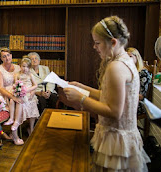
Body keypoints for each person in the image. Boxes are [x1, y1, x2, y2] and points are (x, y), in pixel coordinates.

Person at [63, 16, 150, 171]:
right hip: (124, 138)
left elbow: (115, 112)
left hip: (115, 141)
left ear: (113, 42)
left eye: (97, 43)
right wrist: (82, 87)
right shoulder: (127, 62)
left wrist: (81, 98)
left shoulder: (116, 67)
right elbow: (107, 95)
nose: (94, 47)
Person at [0, 47, 23, 145]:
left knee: (26, 101)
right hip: (3, 93)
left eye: (8, 55)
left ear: (11, 56)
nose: (7, 58)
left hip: (15, 90)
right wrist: (12, 96)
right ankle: (15, 133)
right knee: (16, 101)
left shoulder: (18, 67)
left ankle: (27, 128)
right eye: (4, 56)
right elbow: (0, 88)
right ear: (1, 58)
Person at [12, 56, 39, 135]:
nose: (25, 68)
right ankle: (19, 125)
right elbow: (15, 84)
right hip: (20, 93)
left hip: (28, 92)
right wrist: (19, 90)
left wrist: (29, 90)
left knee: (32, 104)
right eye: (23, 66)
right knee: (22, 102)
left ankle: (31, 127)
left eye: (27, 67)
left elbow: (35, 85)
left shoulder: (30, 75)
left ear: (30, 68)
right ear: (20, 66)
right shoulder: (17, 75)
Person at [127, 47, 152, 115]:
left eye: (130, 56)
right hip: (129, 99)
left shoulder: (143, 73)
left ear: (137, 57)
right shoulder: (130, 70)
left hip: (138, 104)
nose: (128, 59)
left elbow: (140, 96)